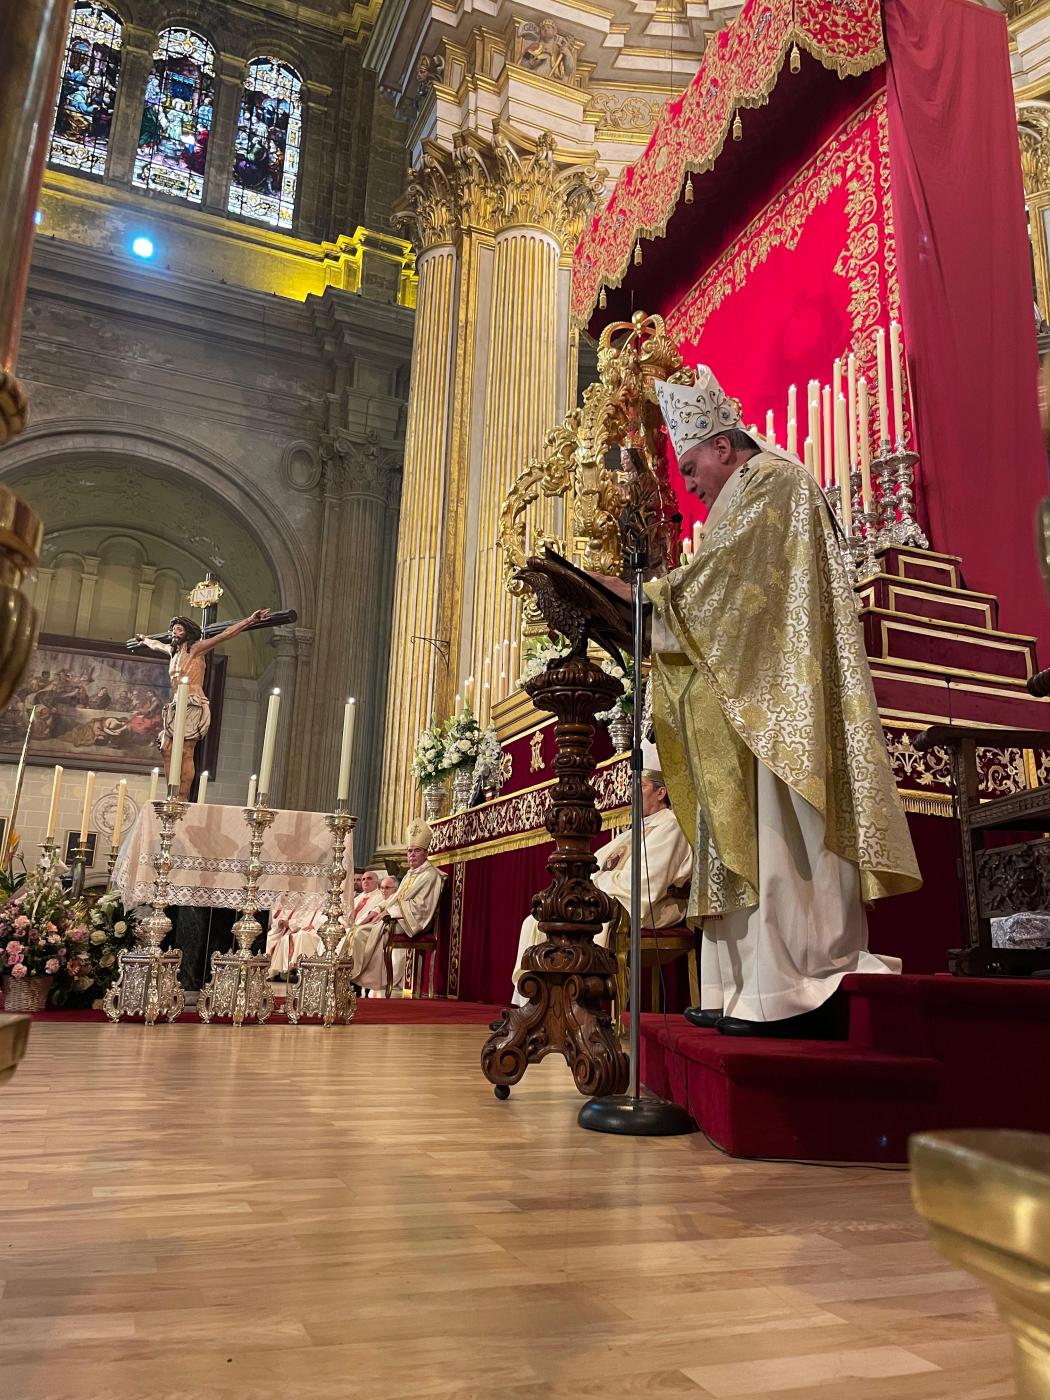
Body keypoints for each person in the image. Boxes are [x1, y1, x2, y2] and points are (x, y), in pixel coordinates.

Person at [609, 367, 921, 1038]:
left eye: (691, 466)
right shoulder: (745, 493)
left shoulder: (773, 481)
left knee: (782, 836)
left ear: (724, 445)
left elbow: (725, 587)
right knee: (740, 835)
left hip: (785, 697)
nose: (688, 485)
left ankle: (793, 981)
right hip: (748, 689)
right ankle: (742, 986)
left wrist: (647, 598)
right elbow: (720, 591)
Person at [510, 741, 692, 1006]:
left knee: (590, 920)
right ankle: (532, 1004)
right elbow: (595, 865)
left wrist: (596, 888)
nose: (632, 794)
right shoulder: (633, 830)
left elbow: (647, 881)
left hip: (654, 906)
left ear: (661, 792)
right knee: (538, 920)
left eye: (639, 787)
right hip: (615, 896)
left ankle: (580, 1004)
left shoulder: (671, 827)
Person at [130, 610, 270, 798]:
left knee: (187, 751)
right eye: (173, 630)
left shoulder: (197, 649)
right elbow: (155, 644)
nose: (174, 633)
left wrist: (250, 620)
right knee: (165, 748)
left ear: (187, 633)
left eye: (178, 630)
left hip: (193, 703)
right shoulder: (173, 652)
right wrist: (143, 639)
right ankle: (171, 793)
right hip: (176, 703)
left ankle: (182, 796)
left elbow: (225, 634)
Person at [350, 822, 444, 995]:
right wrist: (376, 910)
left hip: (411, 921)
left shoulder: (430, 875)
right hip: (397, 917)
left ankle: (355, 977)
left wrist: (391, 913)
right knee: (356, 931)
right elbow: (395, 898)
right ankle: (351, 976)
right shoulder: (410, 874)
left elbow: (422, 906)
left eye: (416, 851)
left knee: (363, 934)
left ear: (426, 853)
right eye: (409, 851)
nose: (412, 855)